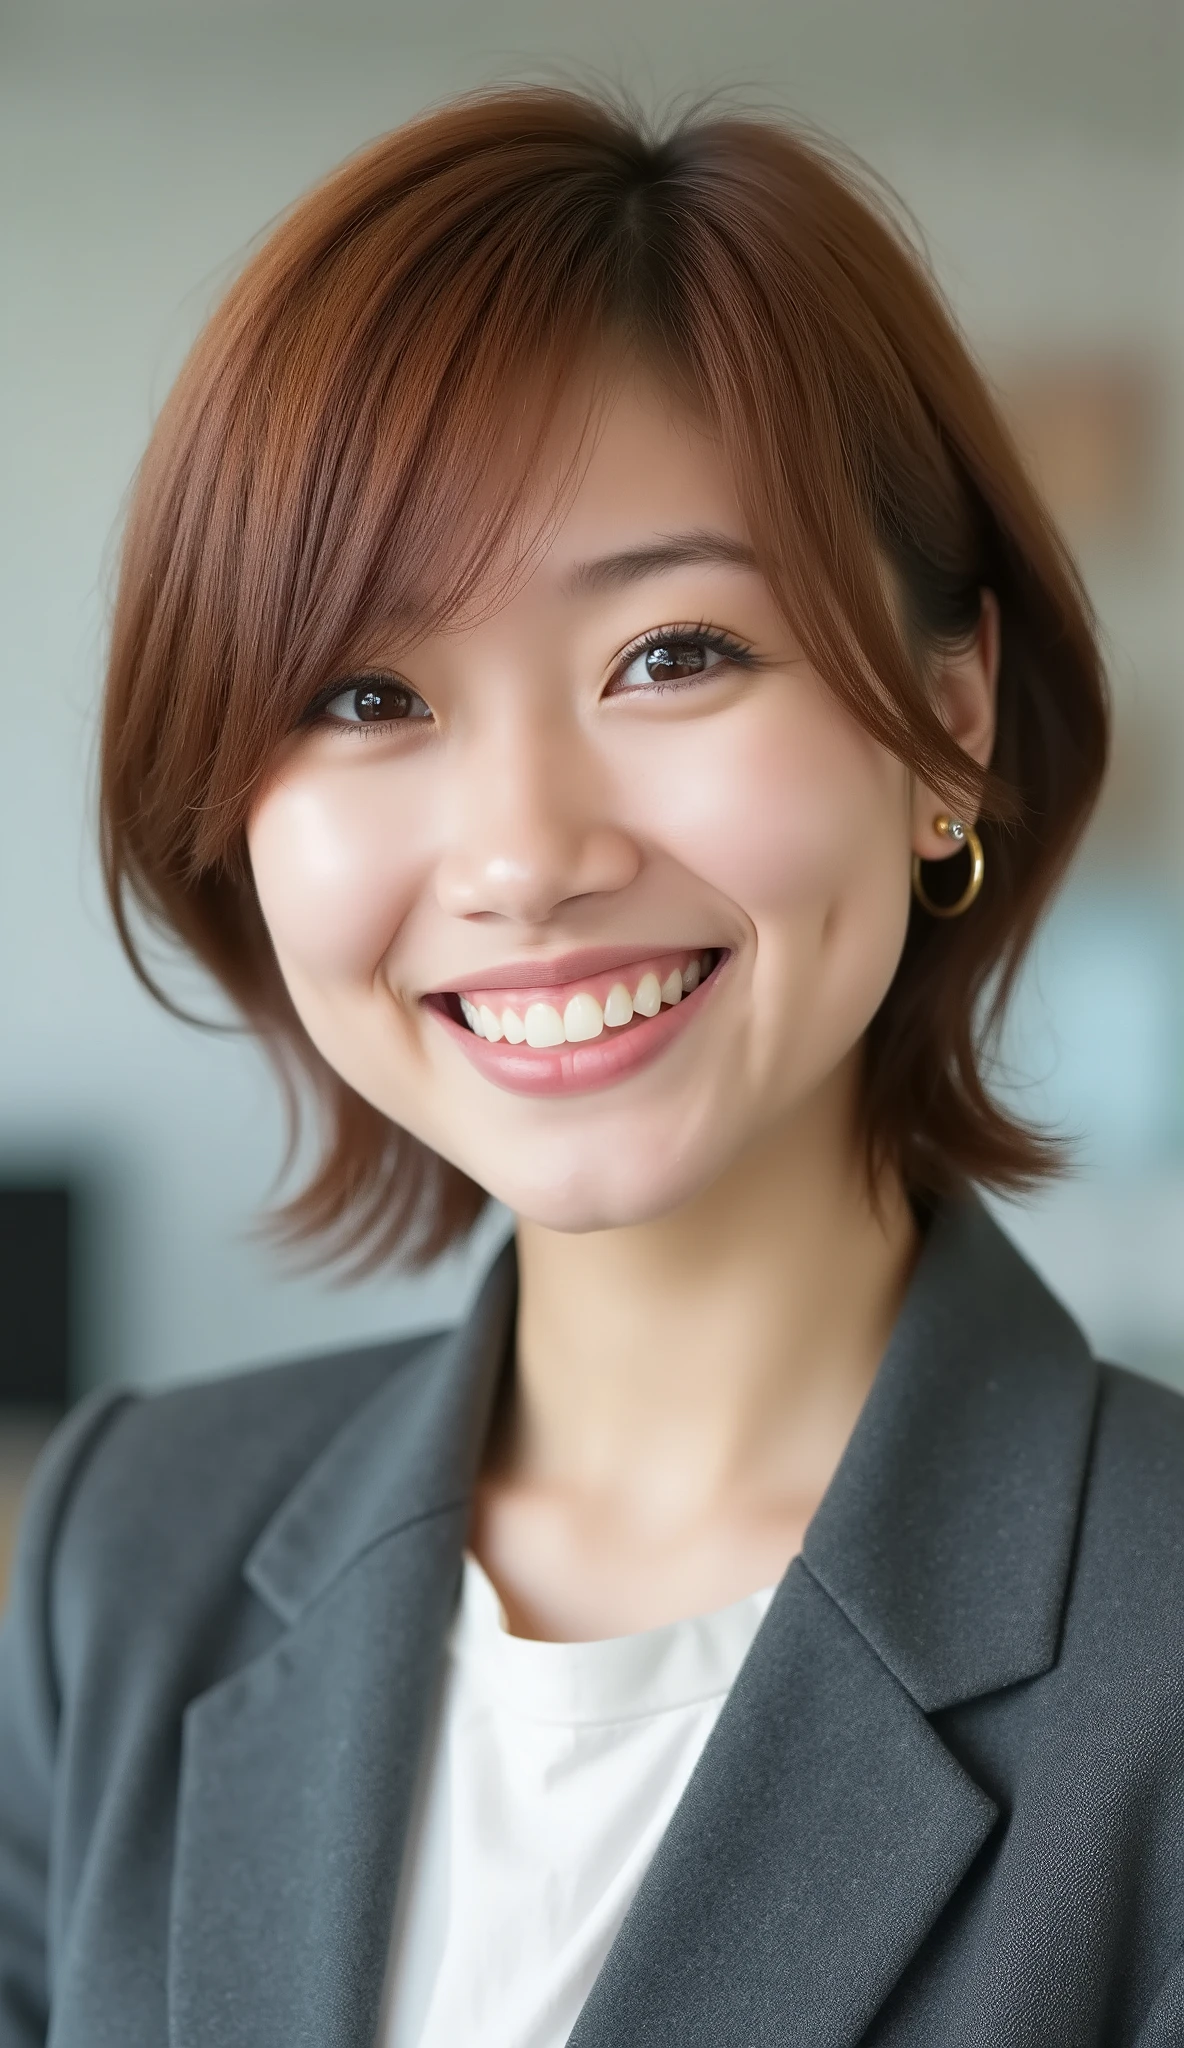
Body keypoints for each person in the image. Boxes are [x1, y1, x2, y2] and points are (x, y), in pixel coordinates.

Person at [1, 83, 1180, 2048]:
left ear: (948, 720)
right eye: (369, 694)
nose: (529, 853)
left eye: (674, 653)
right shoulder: (129, 1553)